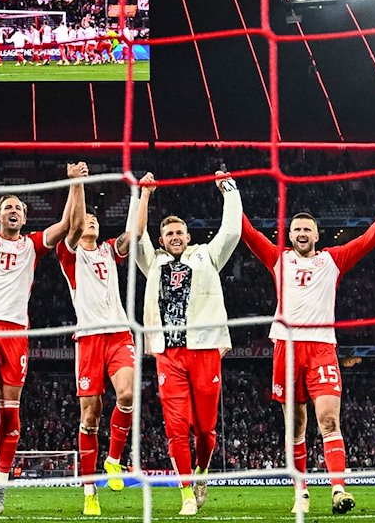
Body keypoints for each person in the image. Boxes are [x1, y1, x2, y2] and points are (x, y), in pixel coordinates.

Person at [241, 191, 375, 514]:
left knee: (329, 420)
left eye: (307, 229)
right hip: (286, 348)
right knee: (296, 426)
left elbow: (367, 240)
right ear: (289, 235)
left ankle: (338, 490)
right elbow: (248, 234)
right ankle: (300, 492)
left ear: (317, 234)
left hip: (322, 348)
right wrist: (231, 198)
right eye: (296, 229)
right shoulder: (278, 259)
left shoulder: (332, 259)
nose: (302, 234)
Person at [0, 162, 85, 514]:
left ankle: (0, 480)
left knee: (10, 414)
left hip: (16, 332)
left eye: (18, 208)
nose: (13, 210)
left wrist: (75, 184)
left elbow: (69, 225)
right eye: (7, 207)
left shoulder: (32, 244)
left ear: (25, 218)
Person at [133, 171, 241, 516]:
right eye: (168, 234)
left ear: (188, 236)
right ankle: (185, 495)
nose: (174, 237)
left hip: (205, 348)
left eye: (179, 232)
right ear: (162, 240)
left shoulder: (207, 256)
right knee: (176, 427)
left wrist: (228, 188)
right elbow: (135, 237)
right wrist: (143, 195)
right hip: (168, 353)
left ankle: (202, 471)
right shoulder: (154, 263)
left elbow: (233, 231)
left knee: (206, 429)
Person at [55, 171, 138, 516]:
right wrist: (78, 184)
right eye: (86, 217)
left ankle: (114, 460)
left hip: (119, 334)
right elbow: (72, 226)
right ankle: (90, 492)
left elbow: (132, 233)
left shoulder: (108, 251)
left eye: (95, 219)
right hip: (88, 339)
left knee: (128, 395)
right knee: (90, 418)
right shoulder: (69, 254)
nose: (90, 221)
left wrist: (140, 195)